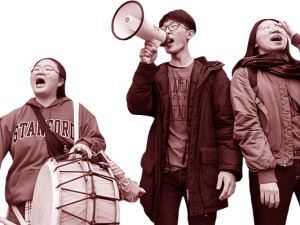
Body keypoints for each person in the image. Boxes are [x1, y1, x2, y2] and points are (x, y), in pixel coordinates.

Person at [125, 9, 243, 225]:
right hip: (163, 173)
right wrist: (145, 67)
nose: (165, 32)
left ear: (189, 34)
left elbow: (226, 124)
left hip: (201, 171)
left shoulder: (213, 74)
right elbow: (136, 107)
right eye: (161, 29)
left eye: (172, 27)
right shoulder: (156, 73)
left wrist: (229, 168)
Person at [0, 57, 144, 225]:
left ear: (60, 81)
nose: (39, 71)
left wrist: (84, 144)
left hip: (71, 204)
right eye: (35, 69)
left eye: (47, 69)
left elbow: (98, 140)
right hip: (20, 209)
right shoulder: (12, 117)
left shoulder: (78, 111)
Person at [230, 18, 300, 225]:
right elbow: (247, 124)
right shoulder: (245, 74)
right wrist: (265, 174)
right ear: (255, 43)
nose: (274, 29)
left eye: (278, 27)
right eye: (266, 28)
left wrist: (297, 39)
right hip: (275, 169)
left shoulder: (297, 70)